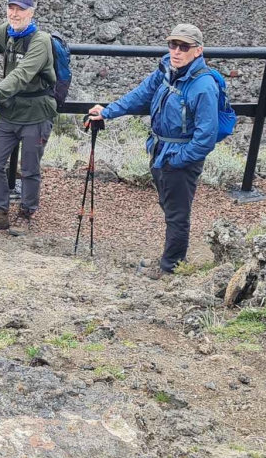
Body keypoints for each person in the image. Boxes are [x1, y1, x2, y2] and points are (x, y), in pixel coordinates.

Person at [88, 23, 220, 280]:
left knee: (177, 214)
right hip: (161, 151)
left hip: (178, 157)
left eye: (184, 47)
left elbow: (206, 137)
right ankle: (170, 260)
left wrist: (178, 160)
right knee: (170, 208)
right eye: (173, 45)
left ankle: (170, 268)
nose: (177, 51)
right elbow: (140, 95)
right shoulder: (167, 69)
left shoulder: (203, 87)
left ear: (198, 51)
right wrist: (107, 111)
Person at [0, 0, 57, 232]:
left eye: (20, 9)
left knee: (30, 167)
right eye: (11, 8)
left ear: (31, 13)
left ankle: (26, 212)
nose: (15, 13)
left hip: (36, 113)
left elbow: (22, 74)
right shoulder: (8, 32)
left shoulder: (41, 40)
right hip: (11, 111)